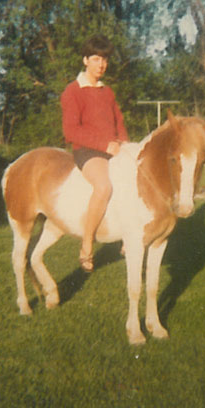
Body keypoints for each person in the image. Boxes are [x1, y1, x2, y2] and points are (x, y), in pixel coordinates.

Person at [60, 35, 129, 272]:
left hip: (113, 149)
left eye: (105, 59)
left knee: (135, 179)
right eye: (96, 59)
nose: (102, 65)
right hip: (88, 152)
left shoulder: (107, 92)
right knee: (104, 186)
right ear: (85, 60)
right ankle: (87, 243)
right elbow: (71, 131)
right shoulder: (73, 91)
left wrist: (124, 144)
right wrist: (105, 145)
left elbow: (119, 122)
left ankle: (128, 237)